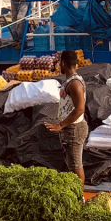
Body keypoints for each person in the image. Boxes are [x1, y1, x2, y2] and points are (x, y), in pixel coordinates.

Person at [45, 50, 88, 186]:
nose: (59, 66)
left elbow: (80, 109)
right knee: (71, 165)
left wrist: (61, 125)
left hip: (74, 130)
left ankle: (80, 199)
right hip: (70, 129)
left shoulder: (75, 84)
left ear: (63, 63)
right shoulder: (70, 81)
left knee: (76, 167)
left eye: (59, 64)